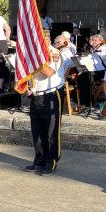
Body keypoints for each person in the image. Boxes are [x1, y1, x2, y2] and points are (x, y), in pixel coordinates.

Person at [25, 33, 64, 175]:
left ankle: (50, 161)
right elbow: (29, 73)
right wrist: (28, 86)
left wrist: (37, 60)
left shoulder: (54, 53)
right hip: (36, 95)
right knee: (37, 131)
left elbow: (49, 72)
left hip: (50, 95)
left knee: (51, 131)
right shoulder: (32, 53)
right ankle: (39, 159)